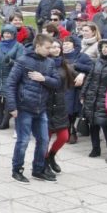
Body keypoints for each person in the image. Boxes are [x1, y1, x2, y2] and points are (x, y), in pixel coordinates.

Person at [6, 34, 60, 183]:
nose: (50, 51)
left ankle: (38, 169)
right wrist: (12, 106)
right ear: (38, 46)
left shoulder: (50, 62)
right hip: (24, 107)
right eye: (47, 48)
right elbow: (10, 83)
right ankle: (17, 170)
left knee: (43, 140)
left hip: (41, 108)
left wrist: (43, 78)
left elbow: (57, 82)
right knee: (23, 141)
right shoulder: (23, 60)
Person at [81, 39, 107, 160]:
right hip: (92, 96)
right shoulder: (97, 62)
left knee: (105, 125)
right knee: (93, 124)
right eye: (103, 47)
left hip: (106, 98)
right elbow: (90, 78)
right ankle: (95, 148)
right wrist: (83, 93)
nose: (104, 49)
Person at [44, 40, 76, 173]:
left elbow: (73, 78)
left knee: (64, 136)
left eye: (58, 47)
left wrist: (81, 75)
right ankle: (44, 162)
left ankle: (51, 155)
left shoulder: (65, 64)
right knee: (46, 137)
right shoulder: (43, 63)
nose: (57, 49)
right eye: (53, 47)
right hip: (46, 104)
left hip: (60, 105)